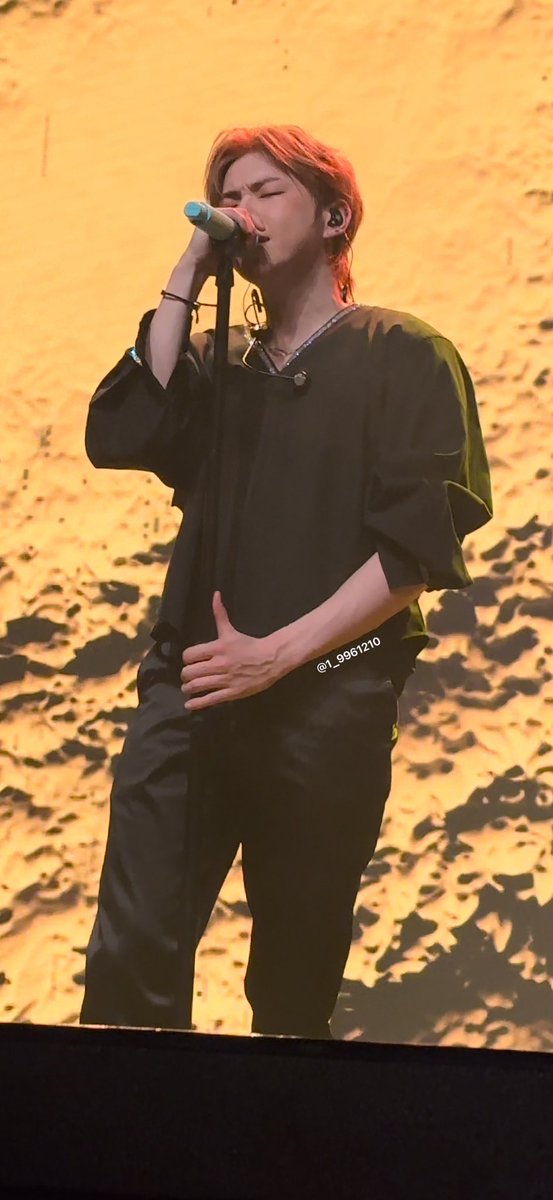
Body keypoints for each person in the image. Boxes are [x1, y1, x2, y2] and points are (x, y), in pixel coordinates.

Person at [79, 124, 493, 1039]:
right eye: (228, 195)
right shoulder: (214, 360)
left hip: (325, 700)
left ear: (334, 216)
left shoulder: (404, 351)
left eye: (266, 192)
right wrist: (186, 274)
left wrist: (276, 656)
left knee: (293, 985)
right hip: (192, 693)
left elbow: (413, 552)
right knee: (132, 957)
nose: (241, 210)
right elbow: (126, 433)